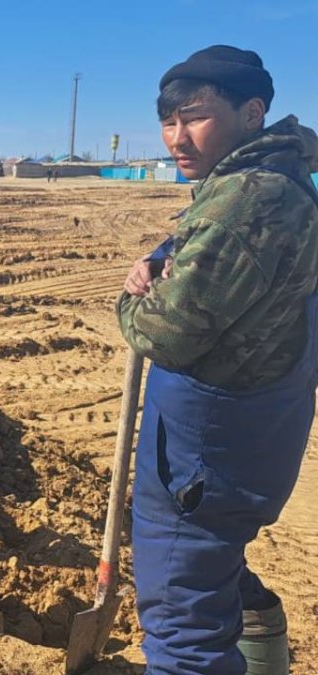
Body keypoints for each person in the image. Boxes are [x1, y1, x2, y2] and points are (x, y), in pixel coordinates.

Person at [118, 45, 318, 674]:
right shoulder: (270, 178)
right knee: (212, 577)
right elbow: (204, 247)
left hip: (206, 459)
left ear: (252, 112)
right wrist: (165, 255)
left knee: (184, 636)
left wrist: (130, 300)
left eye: (195, 118)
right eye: (169, 121)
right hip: (240, 438)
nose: (178, 137)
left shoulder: (246, 201)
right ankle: (261, 640)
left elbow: (165, 333)